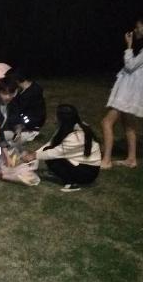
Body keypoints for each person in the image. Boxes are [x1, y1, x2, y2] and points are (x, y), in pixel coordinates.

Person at [23, 104, 100, 192]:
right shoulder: (70, 126)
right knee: (48, 151)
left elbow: (55, 153)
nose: (55, 118)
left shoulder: (77, 135)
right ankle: (63, 175)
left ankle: (71, 184)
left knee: (52, 159)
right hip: (80, 164)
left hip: (87, 172)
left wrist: (34, 156)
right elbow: (51, 143)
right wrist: (35, 154)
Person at [100, 20, 143, 169]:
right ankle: (131, 159)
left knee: (106, 122)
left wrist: (129, 46)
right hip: (130, 90)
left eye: (138, 27)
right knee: (128, 124)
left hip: (127, 92)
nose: (135, 30)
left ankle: (106, 160)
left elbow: (130, 66)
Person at [4, 68, 46, 142]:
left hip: (29, 127)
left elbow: (30, 115)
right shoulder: (26, 90)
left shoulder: (31, 93)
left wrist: (19, 125)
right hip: (23, 124)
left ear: (16, 81)